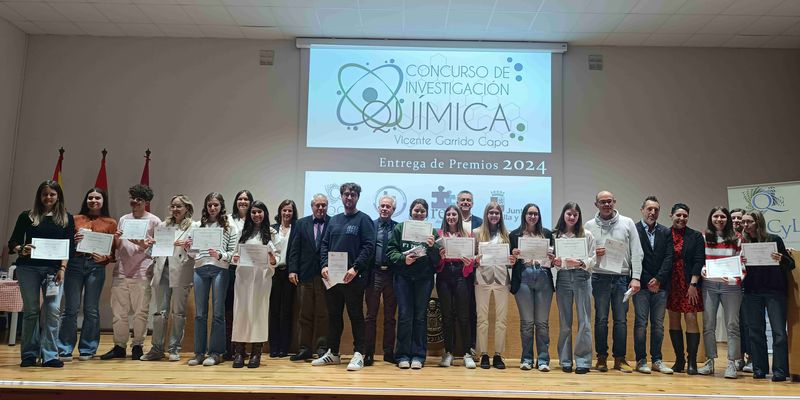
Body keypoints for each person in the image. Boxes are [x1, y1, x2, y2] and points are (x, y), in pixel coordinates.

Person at [8, 180, 74, 367]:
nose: (48, 197)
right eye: (44, 194)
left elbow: (68, 247)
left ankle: (50, 355)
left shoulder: (67, 218)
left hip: (54, 271)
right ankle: (29, 354)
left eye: (52, 194)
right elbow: (13, 242)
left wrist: (62, 268)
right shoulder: (26, 216)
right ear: (39, 196)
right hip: (28, 269)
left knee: (52, 311)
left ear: (58, 196)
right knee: (31, 312)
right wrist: (22, 248)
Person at [313, 183, 375, 371]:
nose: (349, 197)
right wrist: (323, 265)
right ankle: (333, 353)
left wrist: (355, 268)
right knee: (334, 316)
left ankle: (359, 354)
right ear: (341, 197)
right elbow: (324, 244)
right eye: (346, 194)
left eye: (353, 195)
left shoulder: (364, 220)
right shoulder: (334, 220)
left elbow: (368, 247)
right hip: (332, 278)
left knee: (356, 315)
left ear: (357, 197)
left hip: (353, 277)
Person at [584, 190, 643, 373]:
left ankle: (620, 359)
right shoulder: (588, 225)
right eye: (603, 202)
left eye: (609, 201)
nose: (606, 204)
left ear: (615, 202)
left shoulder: (627, 223)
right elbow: (584, 255)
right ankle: (601, 358)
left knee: (621, 320)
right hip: (599, 277)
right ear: (596, 204)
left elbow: (637, 251)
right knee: (601, 320)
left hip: (621, 279)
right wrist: (595, 254)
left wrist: (636, 277)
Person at [100, 184, 161, 361]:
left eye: (139, 199)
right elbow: (119, 246)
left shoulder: (155, 221)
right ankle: (119, 346)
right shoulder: (124, 219)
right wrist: (116, 238)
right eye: (132, 198)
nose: (134, 202)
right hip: (121, 271)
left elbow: (158, 249)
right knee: (119, 312)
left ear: (146, 202)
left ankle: (137, 346)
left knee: (141, 312)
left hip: (142, 272)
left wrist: (144, 246)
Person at [57, 187, 116, 362]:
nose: (94, 201)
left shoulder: (110, 222)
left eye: (97, 198)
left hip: (95, 267)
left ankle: (87, 349)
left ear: (103, 201)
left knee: (91, 309)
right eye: (90, 197)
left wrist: (104, 258)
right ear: (86, 200)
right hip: (75, 264)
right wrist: (73, 242)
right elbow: (64, 243)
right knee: (70, 309)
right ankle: (64, 348)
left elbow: (113, 253)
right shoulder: (74, 219)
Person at [741, 210, 795, 381]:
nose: (745, 225)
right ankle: (759, 368)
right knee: (755, 331)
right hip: (752, 291)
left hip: (774, 291)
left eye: (749, 221)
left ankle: (780, 370)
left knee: (779, 332)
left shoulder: (774, 239)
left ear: (758, 222)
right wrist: (739, 261)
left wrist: (781, 258)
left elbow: (790, 264)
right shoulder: (743, 242)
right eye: (743, 222)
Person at [386, 198, 440, 369]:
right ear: (411, 212)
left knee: (420, 317)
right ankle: (402, 355)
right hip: (403, 278)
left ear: (426, 214)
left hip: (424, 279)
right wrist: (403, 259)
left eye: (422, 211)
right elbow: (390, 252)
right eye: (416, 210)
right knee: (404, 316)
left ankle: (418, 355)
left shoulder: (433, 232)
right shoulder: (400, 228)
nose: (419, 213)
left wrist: (432, 247)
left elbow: (438, 260)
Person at [140, 194, 194, 361]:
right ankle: (156, 348)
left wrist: (187, 247)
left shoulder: (194, 226)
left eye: (179, 206)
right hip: (162, 270)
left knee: (178, 313)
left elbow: (195, 252)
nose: (176, 209)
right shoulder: (164, 225)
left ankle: (174, 348)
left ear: (187, 209)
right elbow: (153, 253)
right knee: (160, 313)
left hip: (181, 270)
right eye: (173, 206)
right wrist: (148, 245)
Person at [187, 192, 238, 366]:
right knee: (200, 314)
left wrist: (220, 254)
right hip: (200, 269)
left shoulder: (230, 226)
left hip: (219, 269)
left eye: (216, 204)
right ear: (206, 206)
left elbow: (232, 254)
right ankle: (199, 353)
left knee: (218, 313)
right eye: (209, 205)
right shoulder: (197, 225)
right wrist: (188, 248)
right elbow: (193, 253)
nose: (212, 208)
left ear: (221, 206)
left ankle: (216, 352)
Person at [231, 201, 279, 368]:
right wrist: (235, 258)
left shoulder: (272, 233)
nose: (256, 215)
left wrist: (273, 259)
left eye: (259, 212)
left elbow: (277, 258)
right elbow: (235, 253)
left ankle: (256, 353)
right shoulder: (244, 232)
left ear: (264, 213)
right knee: (241, 312)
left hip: (261, 279)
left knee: (258, 313)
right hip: (243, 278)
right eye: (253, 212)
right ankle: (239, 351)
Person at [698, 207, 744, 378]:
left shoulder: (737, 238)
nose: (719, 219)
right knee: (708, 325)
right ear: (711, 218)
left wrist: (734, 279)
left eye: (722, 216)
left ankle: (732, 363)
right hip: (709, 285)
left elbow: (743, 263)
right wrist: (703, 269)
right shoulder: (704, 237)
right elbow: (700, 259)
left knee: (732, 325)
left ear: (727, 219)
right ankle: (710, 361)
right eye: (716, 216)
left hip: (731, 286)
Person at [550, 202, 595, 374]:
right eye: (569, 213)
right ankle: (565, 360)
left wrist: (582, 262)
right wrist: (555, 261)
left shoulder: (587, 234)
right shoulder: (556, 235)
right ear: (563, 214)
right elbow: (552, 259)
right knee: (565, 322)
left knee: (584, 320)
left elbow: (593, 259)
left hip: (582, 277)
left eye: (575, 214)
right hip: (563, 278)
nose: (572, 217)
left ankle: (583, 361)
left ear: (579, 216)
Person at [509, 203, 554, 371]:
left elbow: (553, 262)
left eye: (535, 214)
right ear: (524, 215)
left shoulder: (547, 234)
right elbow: (510, 262)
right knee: (527, 323)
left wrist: (552, 257)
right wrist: (512, 257)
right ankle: (527, 358)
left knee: (542, 323)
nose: (533, 216)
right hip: (524, 278)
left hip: (543, 277)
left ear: (539, 216)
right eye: (530, 213)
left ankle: (543, 360)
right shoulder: (514, 235)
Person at [633, 196, 674, 374]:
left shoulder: (665, 232)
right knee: (641, 324)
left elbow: (668, 258)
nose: (652, 212)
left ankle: (657, 360)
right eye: (649, 209)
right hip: (641, 286)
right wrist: (647, 279)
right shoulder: (633, 230)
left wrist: (658, 279)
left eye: (656, 209)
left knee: (658, 324)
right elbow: (633, 257)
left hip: (660, 286)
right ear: (642, 210)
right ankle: (641, 360)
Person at [473, 201, 516, 369]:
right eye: (491, 212)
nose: (494, 215)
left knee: (501, 319)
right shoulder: (477, 233)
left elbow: (511, 262)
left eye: (497, 213)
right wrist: (475, 259)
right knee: (482, 319)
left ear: (501, 216)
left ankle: (498, 354)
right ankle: (483, 354)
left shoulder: (507, 234)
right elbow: (471, 258)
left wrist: (512, 261)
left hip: (501, 280)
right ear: (486, 214)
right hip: (481, 280)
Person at [287, 194, 330, 361]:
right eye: (317, 205)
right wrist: (292, 270)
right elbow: (294, 248)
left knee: (323, 314)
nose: (320, 208)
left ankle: (321, 348)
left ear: (327, 207)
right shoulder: (300, 223)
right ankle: (304, 348)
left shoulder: (333, 222)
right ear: (312, 206)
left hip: (325, 276)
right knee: (304, 314)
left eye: (324, 205)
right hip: (304, 275)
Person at [665, 203, 704, 375]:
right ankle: (679, 360)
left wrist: (693, 284)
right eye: (678, 215)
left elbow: (699, 260)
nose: (681, 218)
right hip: (670, 283)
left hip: (689, 284)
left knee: (691, 318)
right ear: (671, 215)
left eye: (685, 216)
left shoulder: (695, 236)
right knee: (673, 320)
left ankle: (692, 361)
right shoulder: (665, 234)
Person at [436, 205, 476, 369]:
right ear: (445, 217)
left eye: (454, 214)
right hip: (444, 275)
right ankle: (448, 352)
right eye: (448, 214)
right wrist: (439, 257)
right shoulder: (439, 235)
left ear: (459, 217)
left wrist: (469, 263)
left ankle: (467, 353)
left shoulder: (468, 235)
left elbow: (472, 261)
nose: (451, 217)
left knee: (464, 316)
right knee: (447, 316)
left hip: (461, 275)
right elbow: (434, 262)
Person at [364, 195, 399, 366]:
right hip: (374, 274)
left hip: (392, 275)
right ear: (378, 207)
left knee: (390, 317)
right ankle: (368, 352)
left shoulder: (398, 228)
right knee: (370, 316)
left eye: (388, 207)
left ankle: (388, 351)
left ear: (393, 210)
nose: (385, 208)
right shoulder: (371, 225)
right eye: (382, 206)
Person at [224, 189, 252, 360]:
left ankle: (242, 348)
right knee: (229, 310)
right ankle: (229, 347)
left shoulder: (254, 219)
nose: (243, 202)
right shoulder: (227, 219)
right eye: (240, 199)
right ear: (236, 201)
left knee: (244, 310)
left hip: (248, 270)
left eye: (246, 199)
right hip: (231, 268)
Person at [269, 199, 297, 358]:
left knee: (286, 312)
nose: (287, 213)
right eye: (284, 210)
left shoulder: (297, 229)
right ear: (280, 211)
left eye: (290, 211)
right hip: (273, 273)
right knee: (274, 311)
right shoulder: (272, 229)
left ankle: (283, 348)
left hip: (289, 274)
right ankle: (274, 347)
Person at [458, 190, 481, 353]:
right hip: (452, 272)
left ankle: (472, 345)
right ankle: (454, 347)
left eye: (468, 200)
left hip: (473, 272)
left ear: (472, 203)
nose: (465, 202)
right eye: (462, 200)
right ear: (457, 202)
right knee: (454, 311)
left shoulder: (480, 223)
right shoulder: (450, 220)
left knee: (472, 309)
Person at [729, 207, 749, 372]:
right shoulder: (726, 237)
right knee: (735, 323)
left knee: (747, 322)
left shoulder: (752, 238)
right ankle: (738, 358)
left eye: (739, 218)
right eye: (733, 218)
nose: (736, 221)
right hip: (730, 285)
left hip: (749, 285)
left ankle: (752, 357)